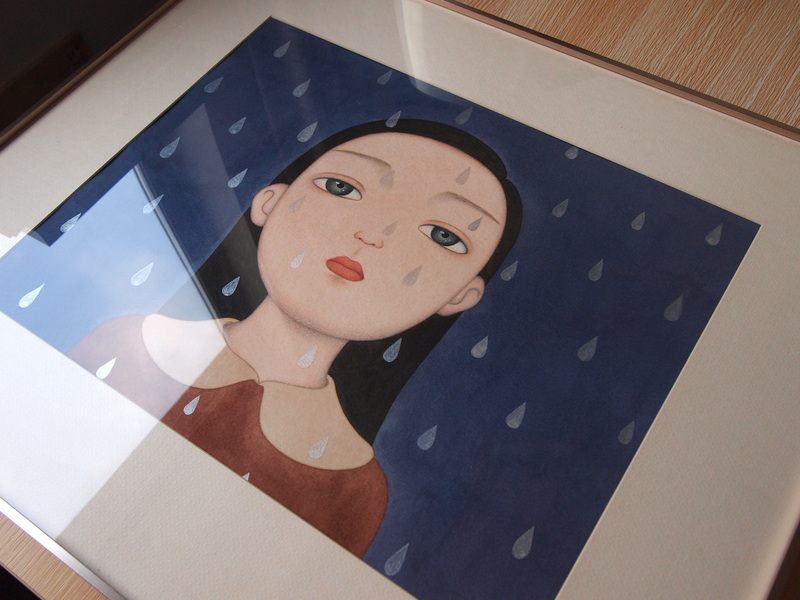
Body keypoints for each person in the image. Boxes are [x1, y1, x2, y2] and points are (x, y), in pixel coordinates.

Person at [68, 119, 523, 557]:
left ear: (461, 296)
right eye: (342, 187)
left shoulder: (354, 490)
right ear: (270, 201)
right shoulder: (125, 345)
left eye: (443, 235)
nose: (373, 234)